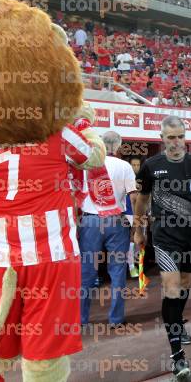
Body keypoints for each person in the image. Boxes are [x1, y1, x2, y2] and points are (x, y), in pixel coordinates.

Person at [133, 116, 191, 377]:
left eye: (180, 136)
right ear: (162, 139)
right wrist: (138, 230)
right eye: (171, 137)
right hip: (164, 234)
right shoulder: (151, 166)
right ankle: (177, 354)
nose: (176, 142)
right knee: (171, 285)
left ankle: (176, 323)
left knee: (185, 283)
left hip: (190, 234)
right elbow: (142, 200)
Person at [79, 131, 138, 326]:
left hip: (91, 221)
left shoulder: (87, 165)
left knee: (87, 272)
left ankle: (81, 318)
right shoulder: (125, 166)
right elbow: (133, 198)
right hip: (116, 221)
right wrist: (136, 226)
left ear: (100, 145)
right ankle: (115, 319)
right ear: (119, 147)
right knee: (117, 272)